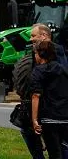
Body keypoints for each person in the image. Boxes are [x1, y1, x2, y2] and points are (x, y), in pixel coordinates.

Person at [14, 23, 66, 159]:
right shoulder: (34, 57)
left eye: (33, 36)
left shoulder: (57, 55)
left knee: (57, 149)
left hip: (50, 111)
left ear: (44, 36)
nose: (30, 39)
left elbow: (38, 93)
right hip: (47, 111)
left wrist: (35, 119)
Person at [32, 43, 68, 159]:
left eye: (36, 53)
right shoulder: (63, 69)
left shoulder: (38, 71)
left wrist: (34, 120)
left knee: (54, 152)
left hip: (48, 117)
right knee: (64, 148)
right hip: (64, 116)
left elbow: (36, 96)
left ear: (40, 54)